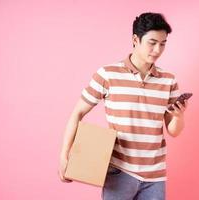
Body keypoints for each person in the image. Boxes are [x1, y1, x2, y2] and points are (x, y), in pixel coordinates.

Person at [58, 12, 189, 200]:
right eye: (152, 43)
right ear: (136, 40)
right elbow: (78, 112)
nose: (157, 50)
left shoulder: (169, 80)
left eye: (163, 44)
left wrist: (179, 116)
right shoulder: (108, 74)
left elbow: (174, 131)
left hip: (155, 175)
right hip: (119, 171)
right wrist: (64, 155)